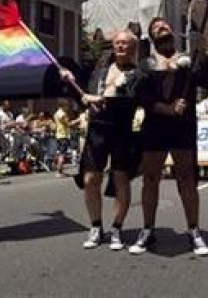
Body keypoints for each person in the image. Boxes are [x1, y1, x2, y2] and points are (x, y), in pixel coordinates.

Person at [128, 17, 208, 256]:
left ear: (172, 31)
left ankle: (194, 230)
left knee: (187, 178)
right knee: (151, 179)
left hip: (183, 127)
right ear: (152, 37)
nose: (161, 27)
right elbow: (138, 95)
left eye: (164, 24)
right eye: (156, 27)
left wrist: (203, 53)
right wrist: (164, 108)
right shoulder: (146, 64)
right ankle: (147, 229)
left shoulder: (188, 61)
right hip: (155, 127)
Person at [62, 30, 142, 250]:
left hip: (121, 131)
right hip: (97, 129)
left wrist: (98, 99)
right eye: (117, 43)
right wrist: (69, 78)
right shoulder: (100, 69)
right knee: (90, 179)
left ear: (133, 48)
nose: (120, 47)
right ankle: (96, 226)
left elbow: (127, 98)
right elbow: (80, 87)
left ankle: (117, 228)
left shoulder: (137, 73)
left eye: (125, 44)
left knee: (120, 180)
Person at [53, 99, 72, 178]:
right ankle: (59, 172)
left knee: (60, 153)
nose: (67, 107)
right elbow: (68, 124)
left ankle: (59, 170)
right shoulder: (62, 114)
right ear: (63, 105)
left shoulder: (56, 113)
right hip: (63, 135)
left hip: (58, 135)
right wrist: (78, 120)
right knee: (62, 154)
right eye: (67, 105)